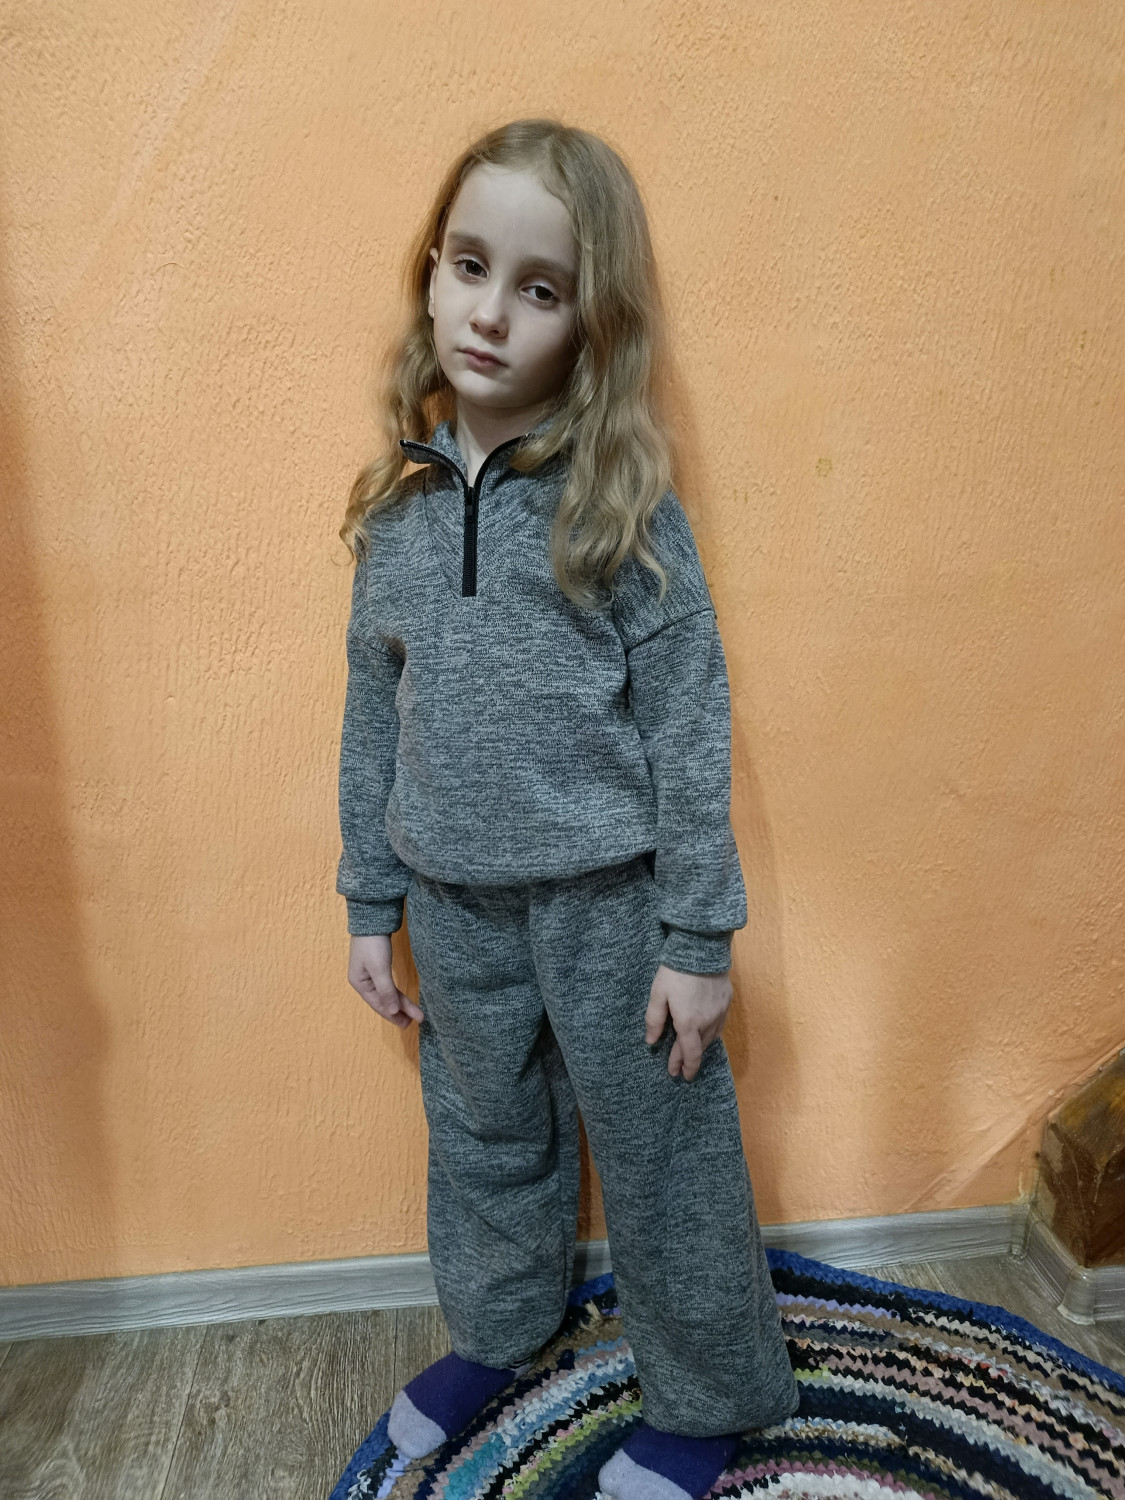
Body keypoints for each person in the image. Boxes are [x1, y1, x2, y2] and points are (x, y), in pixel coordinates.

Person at [335, 117, 799, 1500]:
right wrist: (368, 899)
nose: (491, 312)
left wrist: (698, 936)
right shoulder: (397, 512)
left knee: (663, 1157)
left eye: (539, 288)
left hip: (612, 908)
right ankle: (499, 1331)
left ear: (589, 323)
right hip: (450, 900)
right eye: (469, 266)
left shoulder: (622, 506)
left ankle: (710, 1395)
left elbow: (687, 719)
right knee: (485, 1137)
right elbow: (372, 716)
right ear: (429, 274)